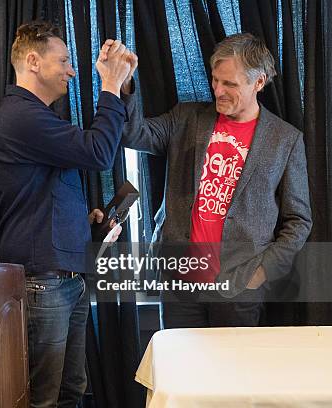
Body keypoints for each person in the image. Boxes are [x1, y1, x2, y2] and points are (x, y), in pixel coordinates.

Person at [105, 33, 312, 327]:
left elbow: (299, 220)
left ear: (259, 83)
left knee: (234, 372)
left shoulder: (285, 140)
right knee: (181, 371)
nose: (218, 90)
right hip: (180, 281)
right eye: (216, 80)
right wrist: (124, 84)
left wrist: (261, 273)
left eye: (230, 84)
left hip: (239, 287)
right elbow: (133, 134)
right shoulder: (187, 117)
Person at [0, 21, 132, 408]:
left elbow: (40, 195)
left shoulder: (39, 118)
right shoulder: (21, 116)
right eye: (64, 60)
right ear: (33, 61)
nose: (71, 70)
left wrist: (82, 221)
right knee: (43, 399)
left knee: (71, 392)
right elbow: (98, 152)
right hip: (44, 281)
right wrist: (110, 86)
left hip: (66, 277)